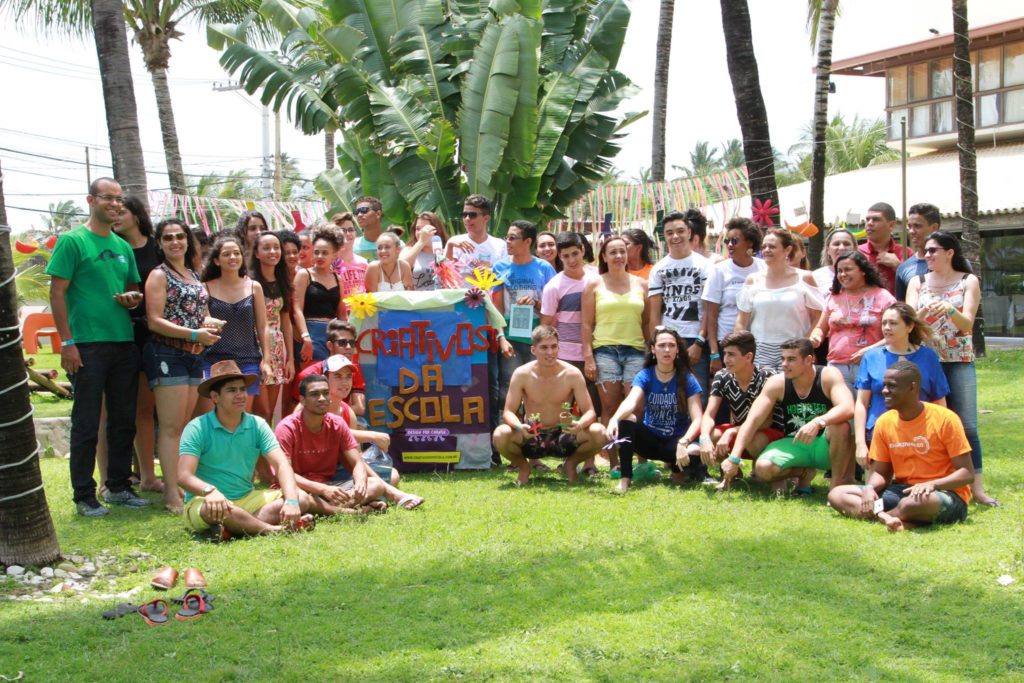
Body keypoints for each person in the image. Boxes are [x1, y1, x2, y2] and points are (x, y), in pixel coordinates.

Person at [46, 177, 151, 516]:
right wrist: (67, 343)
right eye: (108, 198)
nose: (115, 204)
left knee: (123, 420)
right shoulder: (72, 241)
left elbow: (133, 289)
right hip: (87, 346)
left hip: (123, 343)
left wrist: (133, 299)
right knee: (87, 422)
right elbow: (57, 293)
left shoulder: (121, 247)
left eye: (119, 199)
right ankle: (84, 496)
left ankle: (119, 487)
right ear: (91, 199)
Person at [178, 361, 320, 538]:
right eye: (232, 390)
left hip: (247, 498)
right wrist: (211, 492)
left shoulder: (257, 424)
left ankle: (235, 528)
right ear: (215, 397)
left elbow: (282, 465)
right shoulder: (197, 427)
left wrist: (291, 502)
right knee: (215, 510)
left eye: (242, 389)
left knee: (302, 498)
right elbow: (183, 476)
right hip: (207, 500)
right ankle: (274, 530)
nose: (240, 395)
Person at [906, 231, 997, 506]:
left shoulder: (968, 281)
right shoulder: (917, 282)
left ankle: (977, 489)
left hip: (959, 360)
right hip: (924, 361)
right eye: (925, 251)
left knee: (967, 426)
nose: (927, 255)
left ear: (950, 252)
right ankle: (927, 481)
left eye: (933, 250)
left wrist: (948, 309)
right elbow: (908, 323)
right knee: (925, 425)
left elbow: (967, 324)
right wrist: (923, 314)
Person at [828, 361, 973, 532]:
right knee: (838, 494)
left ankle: (885, 516)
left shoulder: (945, 419)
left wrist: (932, 485)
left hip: (944, 494)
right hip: (903, 491)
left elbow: (967, 474)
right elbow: (882, 473)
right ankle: (896, 520)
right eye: (884, 385)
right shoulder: (884, 422)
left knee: (913, 503)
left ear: (912, 388)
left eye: (892, 386)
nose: (884, 391)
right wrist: (869, 488)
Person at [143, 218, 220, 514]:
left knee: (190, 426)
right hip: (168, 354)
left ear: (188, 241)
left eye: (180, 236)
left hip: (196, 354)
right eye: (168, 238)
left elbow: (202, 310)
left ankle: (189, 484)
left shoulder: (192, 273)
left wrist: (209, 325)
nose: (175, 242)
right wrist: (193, 334)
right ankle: (171, 492)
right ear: (160, 244)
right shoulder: (158, 275)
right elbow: (154, 320)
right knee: (172, 427)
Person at [721, 338, 854, 493]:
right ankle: (803, 473)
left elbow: (848, 407)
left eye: (791, 359)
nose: (784, 364)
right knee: (762, 469)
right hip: (794, 442)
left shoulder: (827, 375)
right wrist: (734, 459)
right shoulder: (776, 383)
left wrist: (818, 422)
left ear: (809, 360)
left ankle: (835, 489)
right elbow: (752, 421)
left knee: (841, 426)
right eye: (782, 359)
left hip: (824, 445)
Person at [492, 326, 606, 485]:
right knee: (500, 434)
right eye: (544, 347)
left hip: (564, 433)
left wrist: (579, 425)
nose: (550, 352)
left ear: (559, 348)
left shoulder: (572, 373)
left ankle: (571, 464)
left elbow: (590, 412)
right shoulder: (522, 374)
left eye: (553, 346)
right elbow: (508, 412)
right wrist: (519, 427)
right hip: (532, 434)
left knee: (599, 432)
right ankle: (524, 468)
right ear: (533, 350)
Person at [100, 194, 159, 493]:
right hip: (119, 331)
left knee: (145, 410)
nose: (117, 216)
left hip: (155, 333)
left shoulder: (157, 245)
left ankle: (148, 475)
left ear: (137, 215)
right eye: (113, 211)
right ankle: (105, 478)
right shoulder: (109, 246)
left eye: (122, 211)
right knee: (112, 409)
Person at [581, 235, 650, 471]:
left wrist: (652, 354)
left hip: (636, 351)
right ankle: (614, 463)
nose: (619, 256)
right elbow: (586, 324)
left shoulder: (641, 284)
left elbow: (647, 323)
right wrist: (588, 357)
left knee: (636, 407)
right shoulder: (594, 284)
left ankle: (641, 460)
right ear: (604, 256)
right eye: (613, 252)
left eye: (623, 251)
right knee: (609, 407)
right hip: (605, 351)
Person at [605, 328, 704, 492]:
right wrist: (614, 419)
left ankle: (677, 472)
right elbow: (631, 401)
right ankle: (625, 480)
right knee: (626, 419)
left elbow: (698, 418)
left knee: (694, 451)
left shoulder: (687, 378)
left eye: (671, 345)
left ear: (677, 350)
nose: (667, 350)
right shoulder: (645, 375)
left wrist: (684, 441)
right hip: (649, 441)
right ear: (653, 349)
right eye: (662, 345)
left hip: (675, 442)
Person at [274, 374, 388, 515]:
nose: (322, 398)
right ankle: (347, 511)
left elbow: (357, 462)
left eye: (326, 393)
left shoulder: (337, 423)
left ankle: (329, 508)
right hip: (297, 488)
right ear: (302, 400)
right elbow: (285, 473)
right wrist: (322, 489)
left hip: (329, 487)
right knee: (301, 498)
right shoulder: (286, 428)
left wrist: (359, 482)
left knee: (375, 485)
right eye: (315, 394)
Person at [854, 303, 948, 468]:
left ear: (910, 326)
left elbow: (939, 401)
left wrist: (941, 436)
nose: (887, 328)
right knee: (876, 489)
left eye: (893, 323)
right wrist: (860, 443)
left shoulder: (928, 357)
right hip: (879, 431)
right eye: (884, 323)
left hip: (920, 433)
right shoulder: (871, 357)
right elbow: (861, 404)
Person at [322, 357, 424, 508]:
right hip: (320, 472)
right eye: (337, 376)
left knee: (392, 475)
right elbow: (327, 430)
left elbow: (352, 452)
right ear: (325, 379)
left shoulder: (347, 411)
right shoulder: (315, 406)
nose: (344, 382)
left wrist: (361, 470)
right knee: (378, 482)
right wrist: (372, 436)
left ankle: (372, 497)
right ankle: (387, 494)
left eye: (348, 377)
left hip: (343, 469)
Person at [540, 232, 601, 473]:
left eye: (575, 254)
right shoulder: (554, 285)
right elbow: (546, 323)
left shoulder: (597, 278)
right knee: (565, 411)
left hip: (595, 352)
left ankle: (589, 462)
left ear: (583, 251)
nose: (572, 260)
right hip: (565, 355)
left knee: (590, 408)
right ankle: (566, 459)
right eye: (566, 256)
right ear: (560, 257)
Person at [199, 233, 274, 412]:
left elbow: (263, 326)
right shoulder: (205, 287)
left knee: (241, 416)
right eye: (226, 254)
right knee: (213, 417)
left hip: (248, 361)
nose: (232, 257)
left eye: (236, 253)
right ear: (216, 260)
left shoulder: (254, 286)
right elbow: (203, 322)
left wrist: (267, 361)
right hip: (214, 360)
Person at [697, 331, 783, 476]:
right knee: (712, 435)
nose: (726, 359)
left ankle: (760, 470)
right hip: (740, 432)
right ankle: (733, 473)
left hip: (768, 433)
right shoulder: (722, 376)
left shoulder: (768, 376)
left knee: (753, 440)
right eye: (725, 354)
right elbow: (709, 414)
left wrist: (731, 431)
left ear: (748, 357)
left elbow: (765, 422)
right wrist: (704, 438)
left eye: (731, 354)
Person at [735, 229, 823, 370]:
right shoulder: (753, 279)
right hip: (760, 349)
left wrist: (805, 344)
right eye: (764, 247)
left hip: (795, 348)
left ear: (787, 249)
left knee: (791, 391)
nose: (767, 250)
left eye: (772, 246)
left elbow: (818, 317)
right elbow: (741, 320)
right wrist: (740, 349)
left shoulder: (805, 278)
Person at [809, 251, 895, 394]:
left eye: (848, 269)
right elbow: (820, 328)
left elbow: (896, 333)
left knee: (867, 411)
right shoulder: (834, 297)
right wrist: (816, 337)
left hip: (871, 364)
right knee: (845, 413)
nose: (843, 274)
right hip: (837, 366)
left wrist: (869, 350)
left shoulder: (883, 296)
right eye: (839, 271)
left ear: (863, 271)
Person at [493, 220, 557, 410]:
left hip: (537, 337)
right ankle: (509, 431)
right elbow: (496, 308)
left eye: (513, 238)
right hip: (510, 338)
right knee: (508, 385)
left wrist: (535, 303)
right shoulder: (499, 268)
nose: (508, 242)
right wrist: (501, 337)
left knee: (538, 386)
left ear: (528, 241)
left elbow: (553, 305)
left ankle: (538, 433)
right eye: (507, 238)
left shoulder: (544, 268)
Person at [647, 210, 712, 393]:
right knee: (670, 395)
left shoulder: (705, 266)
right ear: (664, 237)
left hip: (696, 339)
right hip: (669, 339)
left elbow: (709, 309)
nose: (675, 236)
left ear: (689, 233)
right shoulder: (658, 269)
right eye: (669, 233)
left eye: (680, 231)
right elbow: (654, 313)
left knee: (699, 394)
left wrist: (699, 341)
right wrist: (656, 344)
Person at [701, 217, 765, 377]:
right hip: (727, 344)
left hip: (759, 343)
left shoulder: (763, 268)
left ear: (750, 242)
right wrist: (715, 353)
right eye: (727, 241)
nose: (729, 245)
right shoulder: (719, 270)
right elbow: (711, 315)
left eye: (735, 241)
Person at [249, 231, 295, 422]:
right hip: (254, 345)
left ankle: (264, 452)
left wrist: (290, 358)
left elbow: (286, 321)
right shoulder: (249, 282)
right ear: (257, 253)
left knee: (269, 415)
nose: (272, 252)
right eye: (266, 248)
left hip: (277, 348)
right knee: (261, 411)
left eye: (276, 248)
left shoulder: (283, 281)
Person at [293, 225, 345, 366]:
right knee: (312, 381)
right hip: (310, 334)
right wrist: (306, 337)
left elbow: (341, 314)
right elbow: (296, 309)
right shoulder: (304, 274)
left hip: (330, 335)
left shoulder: (338, 279)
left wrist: (344, 339)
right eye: (316, 252)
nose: (320, 256)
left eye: (325, 253)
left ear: (334, 255)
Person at [294, 319, 367, 416]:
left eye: (352, 343)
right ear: (330, 346)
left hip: (342, 417)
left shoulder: (354, 369)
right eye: (342, 342)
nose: (349, 347)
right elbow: (295, 412)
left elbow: (359, 408)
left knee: (360, 425)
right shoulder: (307, 375)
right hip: (313, 421)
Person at [445, 194, 508, 280]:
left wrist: (490, 271)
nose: (467, 218)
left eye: (472, 215)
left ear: (486, 218)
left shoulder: (500, 245)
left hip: (490, 292)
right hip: (461, 293)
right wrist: (450, 245)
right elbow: (445, 274)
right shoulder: (454, 242)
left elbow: (507, 273)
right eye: (464, 214)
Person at [858, 201, 907, 295]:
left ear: (891, 225)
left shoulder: (906, 253)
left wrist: (898, 266)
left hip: (896, 307)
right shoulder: (856, 252)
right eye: (867, 219)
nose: (869, 223)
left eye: (876, 219)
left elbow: (916, 285)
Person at [895, 202, 940, 301]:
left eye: (917, 226)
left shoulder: (956, 263)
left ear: (934, 228)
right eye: (909, 227)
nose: (911, 231)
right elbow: (903, 310)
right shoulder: (904, 268)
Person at [401, 211, 449, 290]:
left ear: (436, 230)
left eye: (425, 229)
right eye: (418, 229)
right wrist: (421, 242)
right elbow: (400, 268)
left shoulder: (445, 251)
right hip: (418, 300)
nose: (421, 232)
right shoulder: (408, 250)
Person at [330, 213, 369, 298]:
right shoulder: (329, 264)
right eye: (343, 230)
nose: (348, 234)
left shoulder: (364, 263)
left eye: (351, 229)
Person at [811, 228, 858, 296]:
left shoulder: (863, 275)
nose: (841, 248)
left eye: (846, 244)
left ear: (855, 248)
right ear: (828, 250)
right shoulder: (815, 277)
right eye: (836, 244)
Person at [352, 196, 385, 262]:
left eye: (364, 210)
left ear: (378, 214)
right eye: (356, 212)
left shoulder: (395, 244)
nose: (359, 215)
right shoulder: (352, 246)